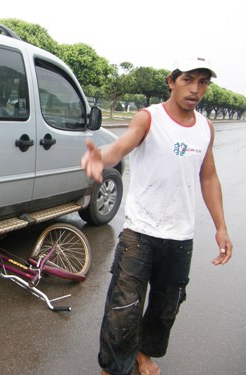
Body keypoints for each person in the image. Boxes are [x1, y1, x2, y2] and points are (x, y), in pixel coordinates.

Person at [81, 57, 233, 375]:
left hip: (180, 236)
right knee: (124, 307)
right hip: (140, 232)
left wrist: (221, 227)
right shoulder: (149, 118)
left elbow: (209, 177)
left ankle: (144, 354)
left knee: (166, 307)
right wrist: (101, 158)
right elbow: (121, 147)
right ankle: (112, 367)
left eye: (203, 82)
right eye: (188, 79)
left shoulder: (206, 129)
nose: (195, 89)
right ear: (171, 80)